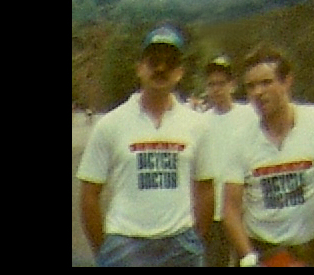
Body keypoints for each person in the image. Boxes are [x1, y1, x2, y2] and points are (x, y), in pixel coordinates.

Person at [76, 23, 214, 267]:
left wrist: (194, 239)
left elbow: (205, 188)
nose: (161, 68)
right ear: (140, 68)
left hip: (179, 244)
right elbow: (89, 195)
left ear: (179, 71)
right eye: (153, 61)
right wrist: (106, 250)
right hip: (127, 244)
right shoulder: (111, 124)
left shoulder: (197, 124)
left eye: (169, 62)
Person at [222, 45, 314, 267]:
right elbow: (230, 207)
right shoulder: (239, 139)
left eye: (266, 82)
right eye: (251, 86)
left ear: (287, 81)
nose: (258, 92)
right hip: (259, 249)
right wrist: (247, 256)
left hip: (306, 250)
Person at [199, 55, 257, 267]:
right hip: (215, 214)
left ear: (232, 85)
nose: (217, 89)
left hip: (246, 210)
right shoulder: (201, 122)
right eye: (212, 84)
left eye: (221, 83)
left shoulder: (251, 114)